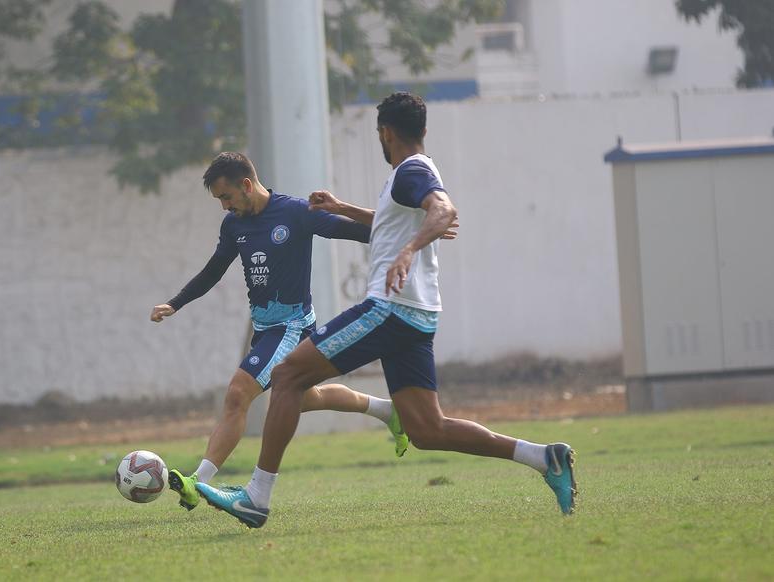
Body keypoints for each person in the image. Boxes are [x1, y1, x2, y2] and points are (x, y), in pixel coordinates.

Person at [195, 92, 577, 528]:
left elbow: (443, 209)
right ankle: (545, 459)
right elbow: (395, 220)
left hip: (390, 308)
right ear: (423, 130)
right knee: (426, 430)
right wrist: (342, 209)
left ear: (386, 133)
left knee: (286, 376)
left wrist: (410, 250)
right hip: (419, 314)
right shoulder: (416, 171)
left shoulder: (409, 172)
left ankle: (256, 498)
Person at [151, 152, 440, 512]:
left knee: (238, 393)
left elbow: (348, 229)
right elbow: (213, 271)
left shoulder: (295, 212)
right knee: (305, 398)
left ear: (245, 185)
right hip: (266, 328)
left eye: (226, 197)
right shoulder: (234, 226)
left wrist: (410, 239)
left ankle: (198, 482)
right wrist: (175, 303)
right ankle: (388, 411)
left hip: (291, 325)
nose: (224, 207)